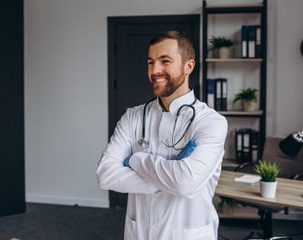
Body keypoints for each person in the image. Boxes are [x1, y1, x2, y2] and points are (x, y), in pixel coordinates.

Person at [97, 31, 227, 240]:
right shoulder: (133, 117)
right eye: (150, 62)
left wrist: (136, 160)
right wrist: (169, 179)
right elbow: (105, 175)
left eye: (165, 61)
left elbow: (184, 183)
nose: (155, 70)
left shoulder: (210, 122)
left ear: (189, 66)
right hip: (139, 233)